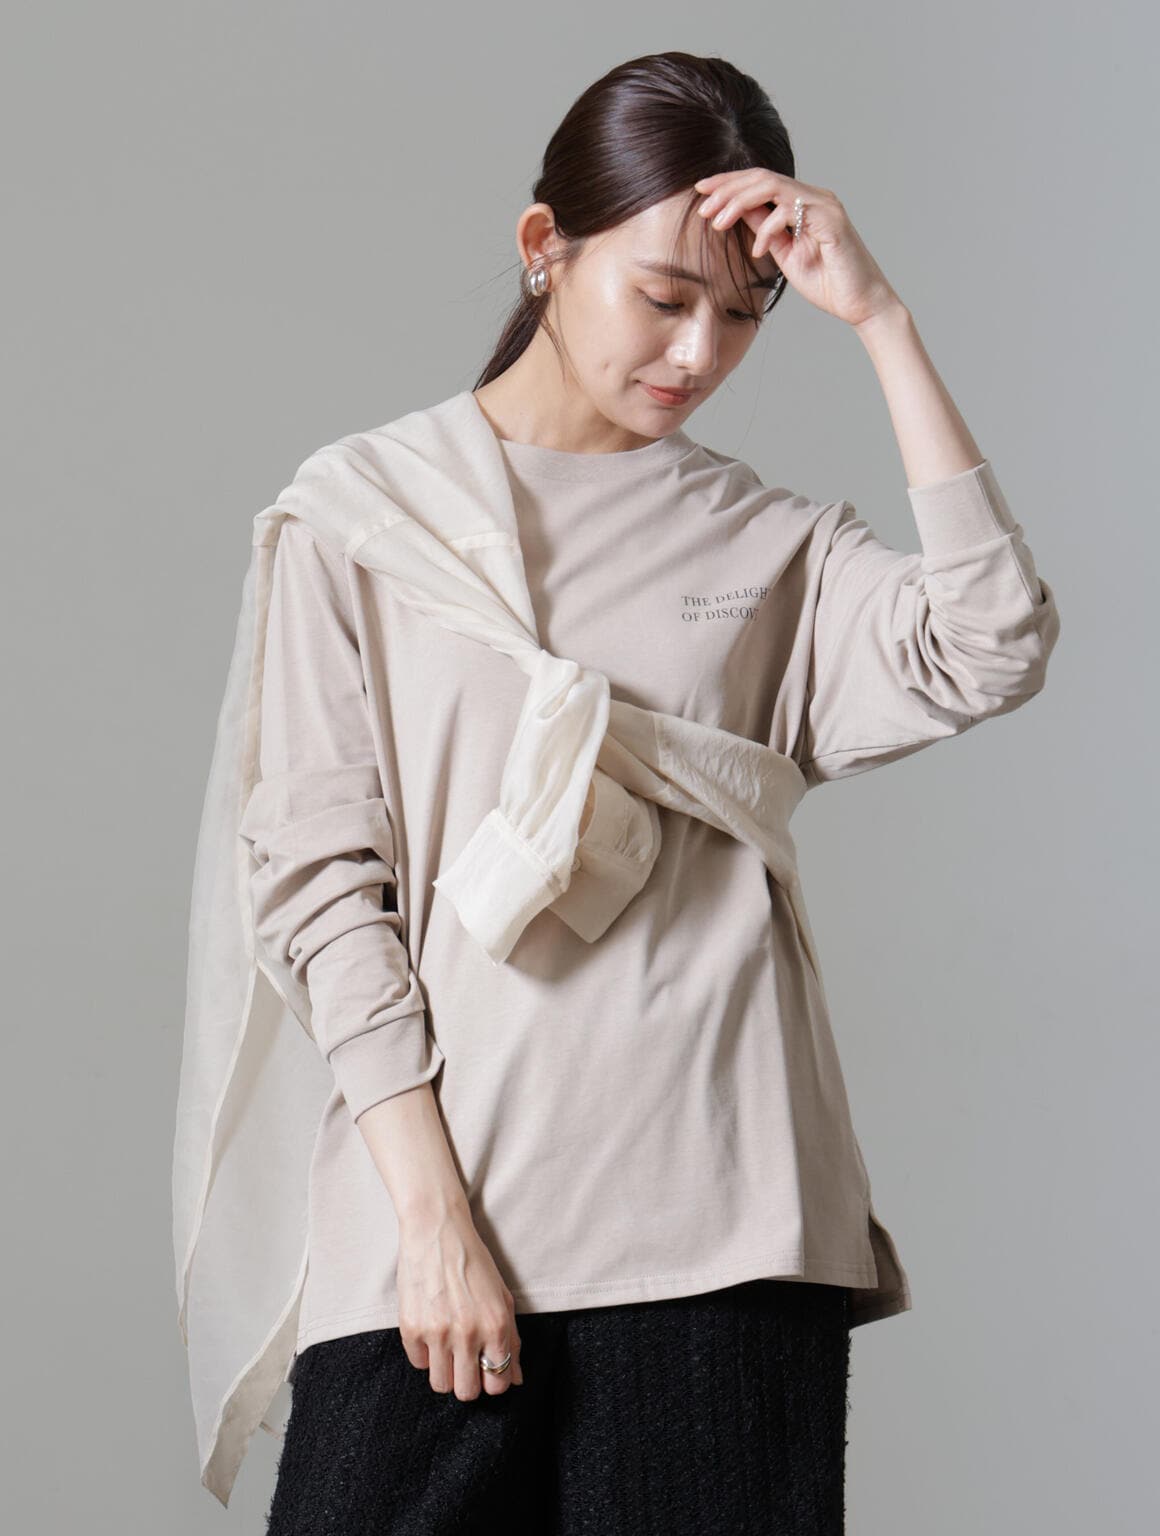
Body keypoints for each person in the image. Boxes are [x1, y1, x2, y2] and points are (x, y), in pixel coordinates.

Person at [175, 50, 1060, 1533]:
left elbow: (992, 641)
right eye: (663, 297)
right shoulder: (365, 516)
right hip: (439, 1230)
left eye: (746, 314)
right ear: (546, 249)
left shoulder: (763, 540)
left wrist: (882, 322)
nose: (700, 352)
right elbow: (322, 889)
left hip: (726, 1236)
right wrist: (429, 1220)